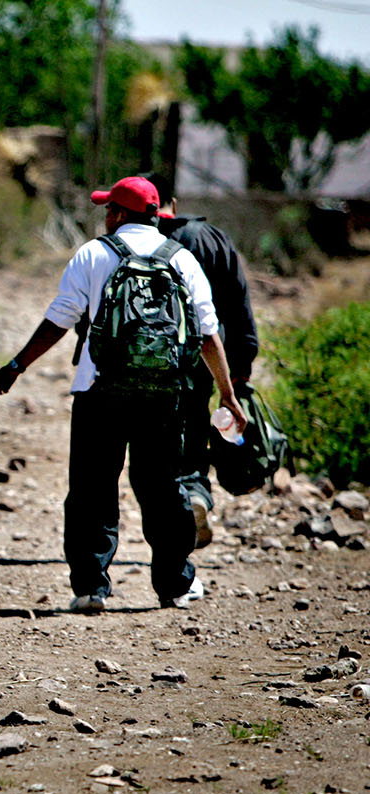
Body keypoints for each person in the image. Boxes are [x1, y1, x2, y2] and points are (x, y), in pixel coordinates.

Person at [0, 175, 246, 612]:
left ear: (120, 214)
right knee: (162, 488)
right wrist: (227, 395)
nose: (105, 217)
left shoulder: (92, 254)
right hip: (163, 395)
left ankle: (90, 588)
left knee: (90, 490)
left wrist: (16, 366)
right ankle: (175, 585)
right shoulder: (182, 259)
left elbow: (60, 319)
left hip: (98, 390)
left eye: (109, 210)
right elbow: (208, 334)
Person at [142, 172, 260, 547]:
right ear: (172, 204)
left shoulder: (135, 241)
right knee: (193, 435)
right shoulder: (212, 239)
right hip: (206, 361)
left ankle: (171, 519)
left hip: (148, 362)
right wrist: (237, 375)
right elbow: (239, 310)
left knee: (152, 447)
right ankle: (194, 495)